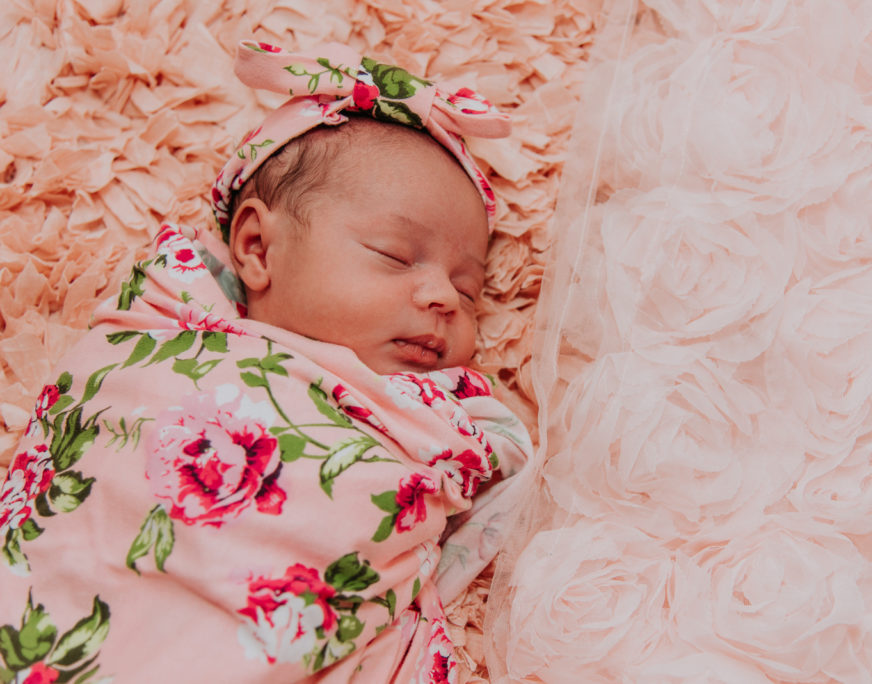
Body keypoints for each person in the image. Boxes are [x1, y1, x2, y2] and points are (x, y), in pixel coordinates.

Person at [0, 40, 531, 683]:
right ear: (257, 247)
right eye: (395, 255)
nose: (444, 296)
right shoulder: (166, 327)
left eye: (468, 290)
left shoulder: (443, 417)